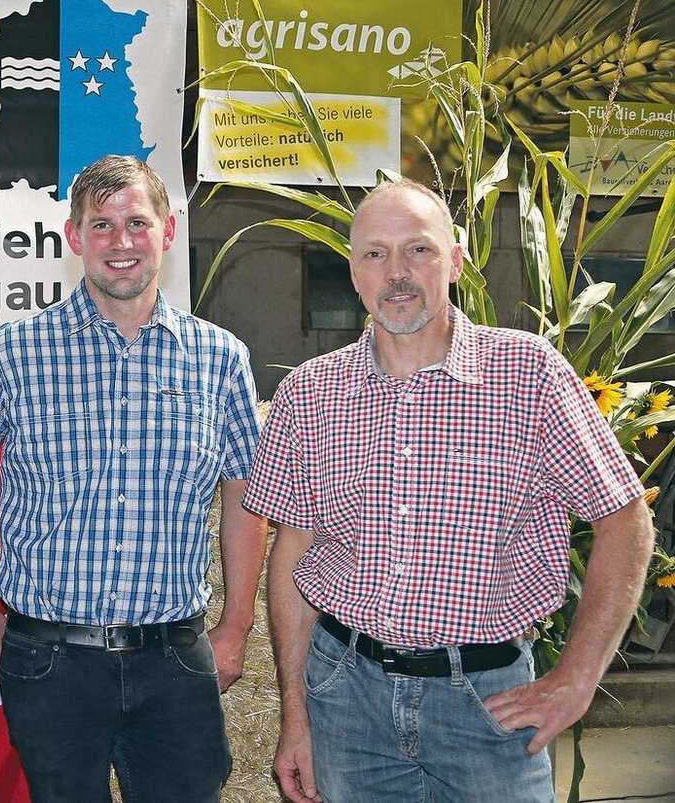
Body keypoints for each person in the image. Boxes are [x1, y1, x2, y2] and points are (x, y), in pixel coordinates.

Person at [245, 178, 656, 803]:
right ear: (354, 272)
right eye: (375, 254)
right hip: (346, 701)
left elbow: (625, 519)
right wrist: (296, 716)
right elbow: (293, 555)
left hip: (490, 702)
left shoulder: (529, 374)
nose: (397, 272)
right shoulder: (311, 392)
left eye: (419, 249)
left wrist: (577, 677)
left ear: (456, 261)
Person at [0, 155, 266, 803]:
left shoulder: (221, 359)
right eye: (102, 225)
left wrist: (235, 626)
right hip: (49, 660)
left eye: (137, 223)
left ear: (167, 232)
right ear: (75, 237)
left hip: (175, 659)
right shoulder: (11, 352)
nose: (121, 241)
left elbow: (244, 494)